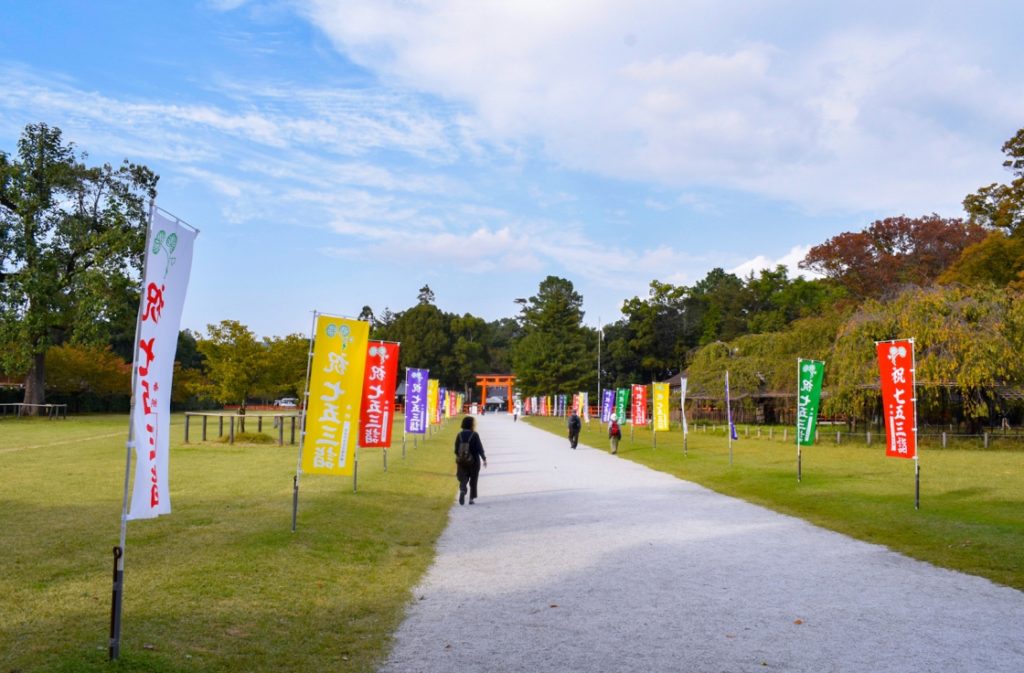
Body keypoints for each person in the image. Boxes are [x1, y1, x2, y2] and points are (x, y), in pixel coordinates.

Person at [454, 416, 487, 505]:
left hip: (462, 461)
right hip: (474, 461)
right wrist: (484, 458)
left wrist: (460, 457)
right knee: (473, 479)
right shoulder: (475, 435)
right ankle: (471, 499)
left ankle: (463, 490)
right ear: (472, 424)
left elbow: (456, 450)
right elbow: (479, 448)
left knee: (463, 477)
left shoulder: (459, 435)